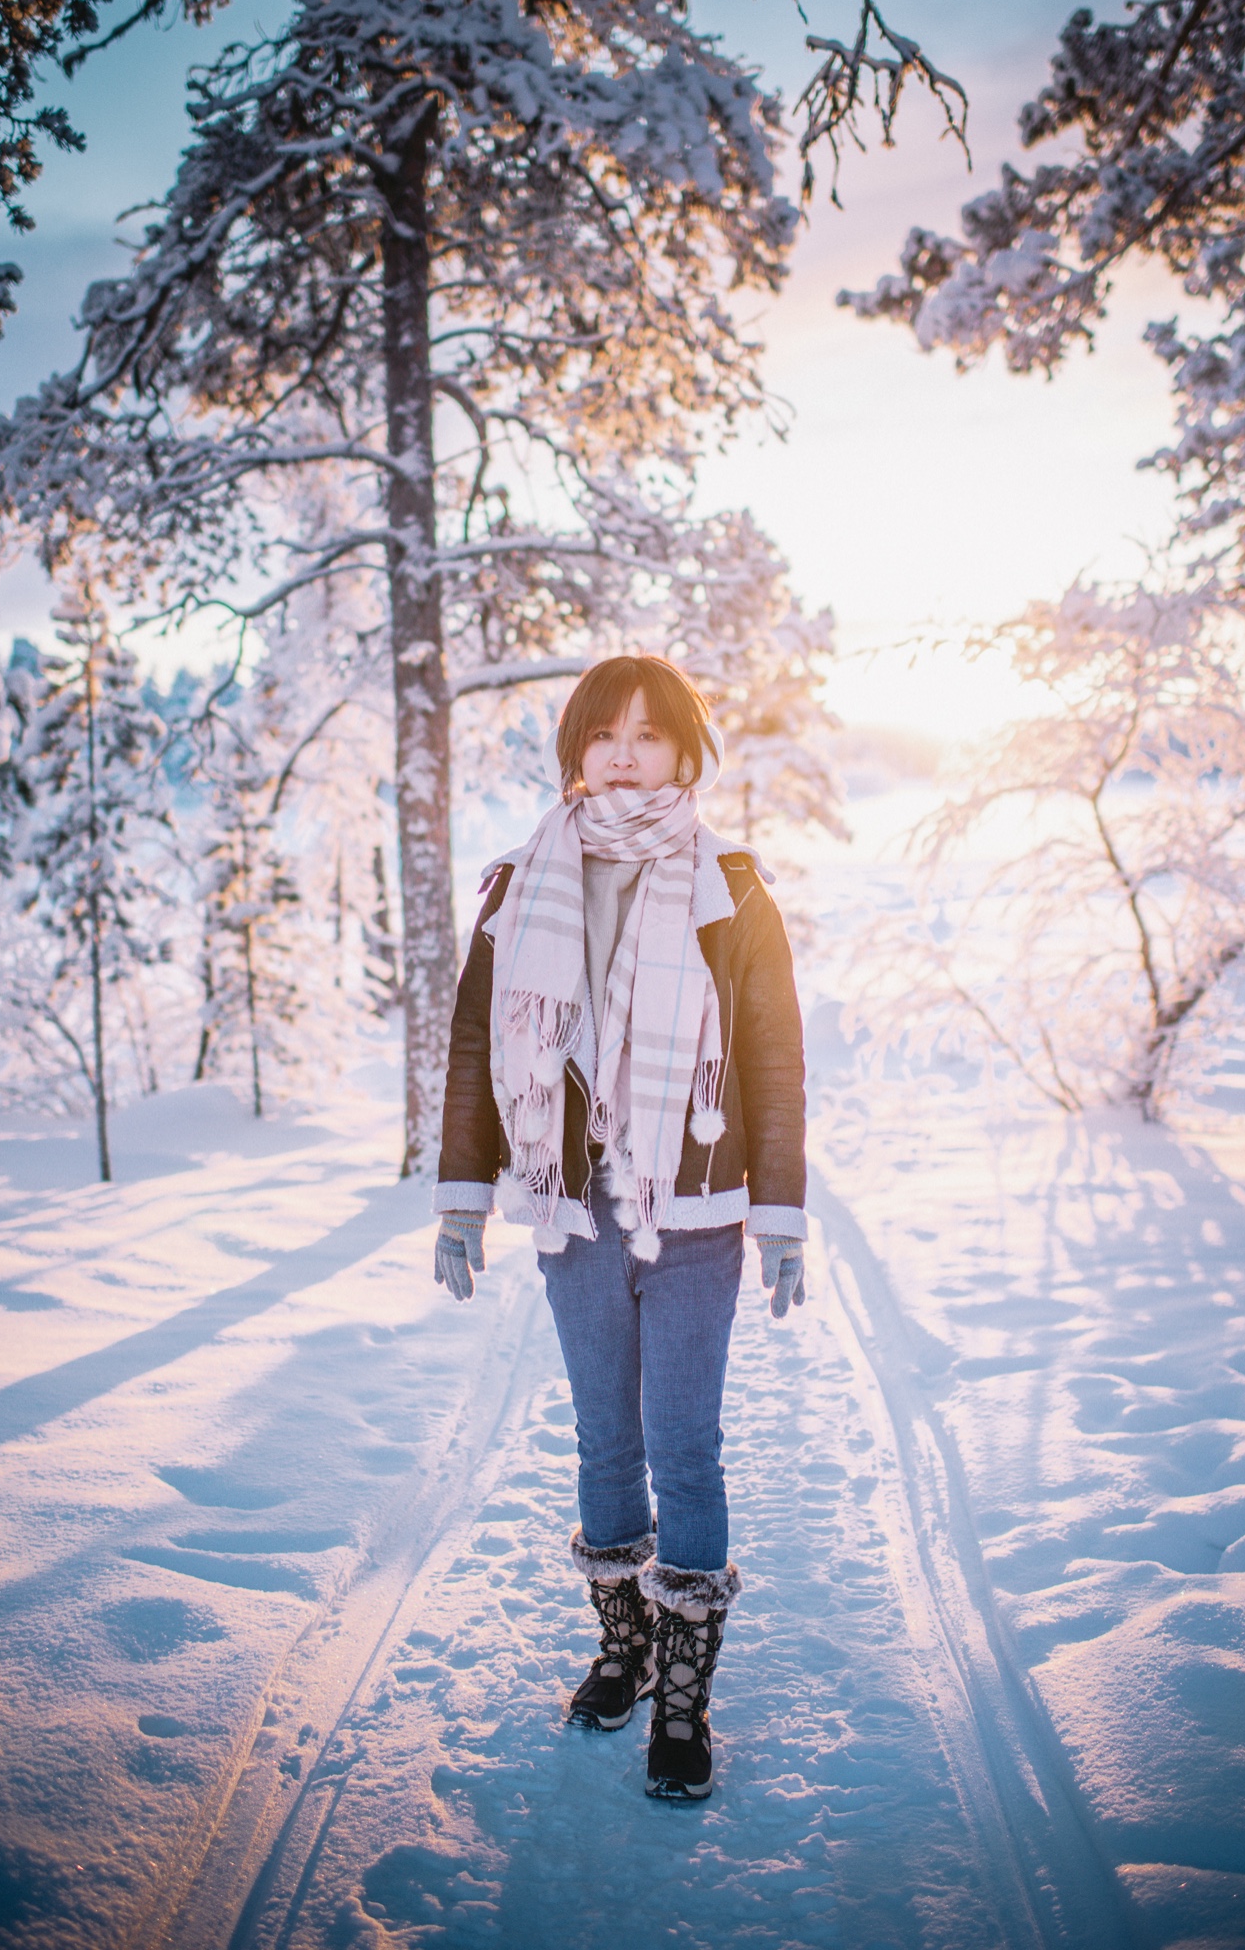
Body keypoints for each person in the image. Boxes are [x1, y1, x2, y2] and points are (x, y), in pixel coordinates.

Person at [432, 655, 807, 1802]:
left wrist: (780, 1214)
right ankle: (625, 1648)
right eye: (606, 733)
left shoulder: (729, 888)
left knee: (681, 1444)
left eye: (651, 734)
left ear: (686, 754)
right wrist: (461, 1200)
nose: (626, 751)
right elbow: (472, 1051)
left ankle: (685, 1693)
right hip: (573, 1211)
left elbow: (773, 1060)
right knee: (605, 1440)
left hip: (692, 1210)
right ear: (575, 753)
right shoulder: (517, 886)